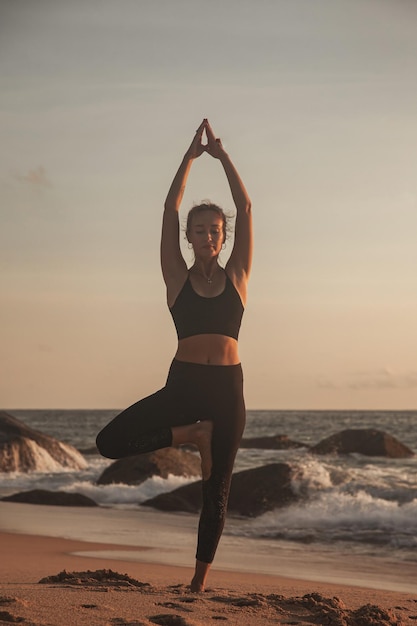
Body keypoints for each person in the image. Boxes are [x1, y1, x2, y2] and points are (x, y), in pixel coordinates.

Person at [96, 119, 253, 592]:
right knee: (109, 442)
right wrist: (189, 156)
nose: (207, 236)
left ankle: (197, 584)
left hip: (228, 389)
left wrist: (222, 156)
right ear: (189, 237)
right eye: (199, 230)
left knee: (217, 490)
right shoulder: (177, 279)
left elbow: (245, 206)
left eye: (215, 230)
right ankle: (189, 433)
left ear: (224, 237)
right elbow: (169, 207)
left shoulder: (239, 276)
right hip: (183, 384)